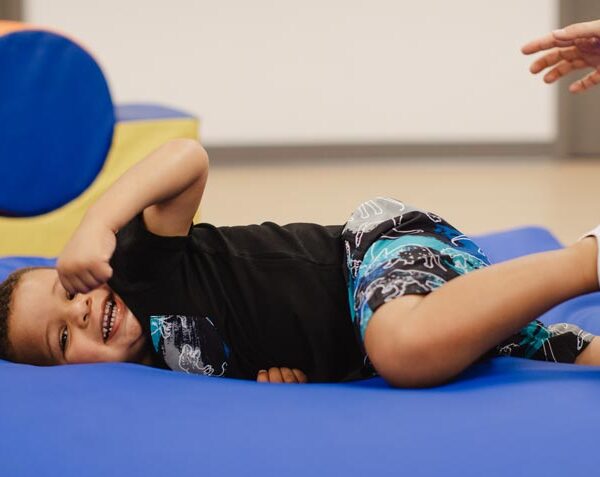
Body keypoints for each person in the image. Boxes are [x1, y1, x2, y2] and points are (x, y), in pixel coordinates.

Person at [1, 21, 600, 387]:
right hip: (390, 331)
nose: (80, 313)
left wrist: (97, 223)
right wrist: (276, 380)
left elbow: (186, 159)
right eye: (60, 341)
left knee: (405, 349)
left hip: (371, 251)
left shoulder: (138, 269)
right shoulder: (158, 386)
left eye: (66, 289)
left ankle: (588, 258)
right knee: (567, 358)